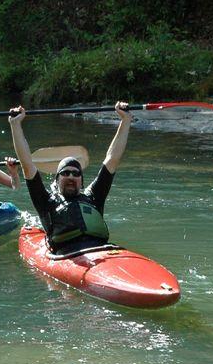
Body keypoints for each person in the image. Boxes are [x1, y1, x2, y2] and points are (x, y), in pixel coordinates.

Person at [8, 102, 132, 254]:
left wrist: (125, 120)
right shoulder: (46, 202)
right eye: (65, 173)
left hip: (102, 251)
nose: (71, 176)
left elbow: (112, 159)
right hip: (66, 256)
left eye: (76, 173)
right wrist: (15, 124)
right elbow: (27, 165)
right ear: (56, 180)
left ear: (82, 181)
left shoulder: (94, 197)